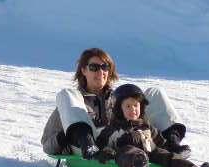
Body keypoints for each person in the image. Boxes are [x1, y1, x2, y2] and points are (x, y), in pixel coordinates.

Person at [41, 47, 190, 159]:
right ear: (83, 71)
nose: (100, 72)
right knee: (66, 94)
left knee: (154, 92)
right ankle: (88, 144)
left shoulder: (118, 99)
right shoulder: (70, 102)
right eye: (94, 67)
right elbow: (47, 145)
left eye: (105, 67)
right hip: (89, 149)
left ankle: (172, 144)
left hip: (124, 143)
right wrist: (66, 136)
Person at [96, 83, 209, 167]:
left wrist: (169, 147)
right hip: (127, 154)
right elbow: (101, 142)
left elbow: (160, 140)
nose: (133, 109)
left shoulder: (146, 126)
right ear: (118, 110)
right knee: (129, 152)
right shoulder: (113, 128)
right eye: (128, 106)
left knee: (168, 157)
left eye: (136, 105)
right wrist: (106, 151)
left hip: (151, 152)